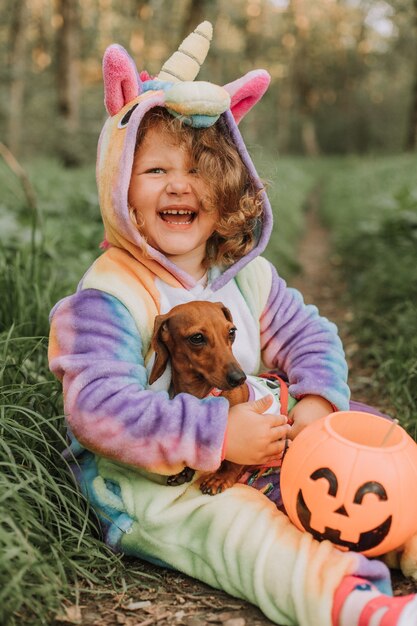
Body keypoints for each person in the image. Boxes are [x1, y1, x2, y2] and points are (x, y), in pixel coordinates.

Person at [48, 22, 417, 626]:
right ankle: (352, 601)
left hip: (253, 441)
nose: (179, 184)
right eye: (154, 171)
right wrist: (218, 434)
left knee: (367, 437)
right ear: (119, 187)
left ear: (225, 188)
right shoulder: (107, 296)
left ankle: (406, 531)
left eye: (197, 171)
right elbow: (98, 409)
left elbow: (308, 334)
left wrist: (317, 407)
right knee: (243, 532)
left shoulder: (241, 275)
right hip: (156, 486)